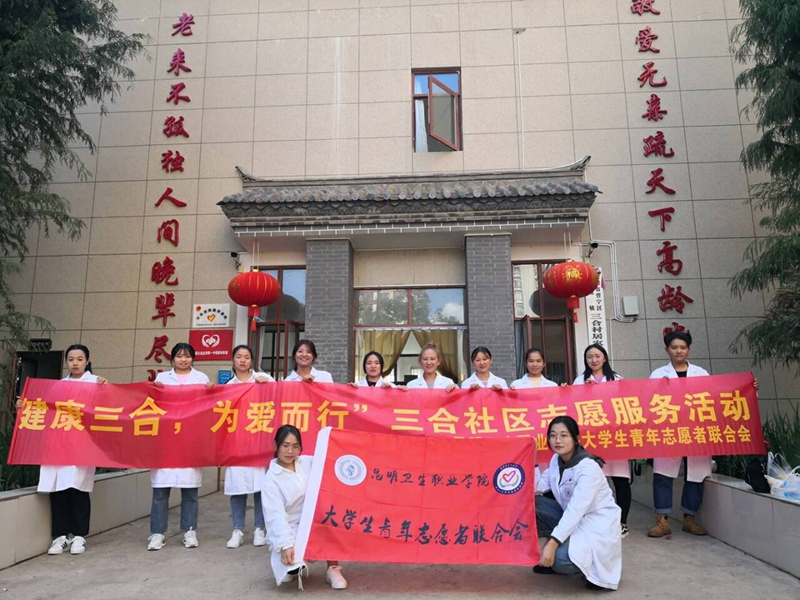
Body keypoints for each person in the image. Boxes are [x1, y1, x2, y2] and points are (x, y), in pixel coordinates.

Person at [534, 416, 622, 591]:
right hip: (572, 518)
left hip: (594, 526)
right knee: (532, 505)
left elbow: (576, 510)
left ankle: (589, 570)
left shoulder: (588, 468)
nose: (557, 440)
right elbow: (538, 486)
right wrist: (531, 462)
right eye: (553, 435)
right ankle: (560, 552)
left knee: (560, 560)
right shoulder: (556, 460)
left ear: (575, 439)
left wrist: (552, 544)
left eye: (564, 435)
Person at [35, 344, 107, 555]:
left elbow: (107, 408)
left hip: (82, 444)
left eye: (80, 359)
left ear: (87, 361)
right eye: (71, 359)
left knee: (78, 489)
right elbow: (43, 410)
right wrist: (25, 406)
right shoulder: (58, 386)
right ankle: (60, 537)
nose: (75, 363)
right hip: (58, 444)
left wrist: (104, 388)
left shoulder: (96, 383)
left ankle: (79, 536)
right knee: (58, 490)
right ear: (66, 362)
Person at [261, 425, 347, 590]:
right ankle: (291, 565)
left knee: (331, 519)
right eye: (285, 445)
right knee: (292, 565)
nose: (290, 451)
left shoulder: (307, 462)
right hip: (291, 528)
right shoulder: (270, 480)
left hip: (317, 520)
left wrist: (332, 436)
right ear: (276, 445)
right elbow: (275, 516)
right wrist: (286, 545)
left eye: (295, 446)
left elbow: (330, 458)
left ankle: (333, 568)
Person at [148, 343, 214, 551]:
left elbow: (207, 406)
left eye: (187, 356)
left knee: (190, 492)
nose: (183, 360)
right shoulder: (162, 379)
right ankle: (157, 533)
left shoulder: (201, 378)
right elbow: (152, 405)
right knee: (160, 492)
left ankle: (189, 531)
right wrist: (154, 390)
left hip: (190, 441)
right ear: (173, 359)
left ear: (193, 358)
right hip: (166, 441)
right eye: (179, 356)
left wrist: (211, 391)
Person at [647, 331, 710, 538]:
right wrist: (660, 388)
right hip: (669, 431)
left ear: (688, 349)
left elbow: (716, 397)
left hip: (696, 430)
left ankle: (689, 519)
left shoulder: (701, 373)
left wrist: (751, 389)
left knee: (696, 474)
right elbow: (647, 401)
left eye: (683, 347)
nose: (679, 351)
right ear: (667, 350)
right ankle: (662, 520)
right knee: (663, 475)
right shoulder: (658, 374)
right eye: (674, 347)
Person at [572, 344, 632, 538]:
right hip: (592, 440)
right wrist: (585, 391)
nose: (594, 360)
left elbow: (626, 405)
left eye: (597, 356)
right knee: (591, 482)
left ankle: (622, 522)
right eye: (590, 357)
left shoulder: (618, 379)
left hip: (614, 439)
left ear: (604, 358)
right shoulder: (579, 381)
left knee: (620, 481)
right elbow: (573, 406)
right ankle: (593, 522)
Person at [224, 344, 273, 549]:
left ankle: (260, 529)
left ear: (252, 360)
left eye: (246, 357)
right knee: (237, 489)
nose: (242, 360)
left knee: (260, 489)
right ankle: (237, 530)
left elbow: (280, 397)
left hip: (258, 443)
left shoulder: (264, 379)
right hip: (236, 445)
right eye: (239, 357)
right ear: (233, 360)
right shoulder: (228, 386)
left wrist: (268, 385)